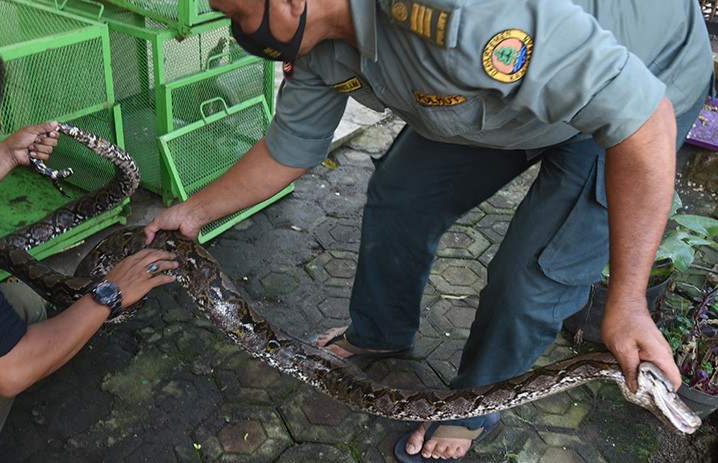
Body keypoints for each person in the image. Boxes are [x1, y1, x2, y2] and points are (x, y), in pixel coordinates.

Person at [144, 0, 713, 461]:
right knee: (401, 195)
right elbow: (288, 148)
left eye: (234, 12)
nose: (233, 26)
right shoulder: (318, 40)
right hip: (508, 96)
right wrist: (192, 214)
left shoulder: (461, 13)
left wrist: (628, 302)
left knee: (531, 279)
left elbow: (642, 121)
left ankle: (473, 408)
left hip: (636, 88)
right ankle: (380, 333)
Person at [0, 31, 179, 462]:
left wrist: (8, 155)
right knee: (3, 340)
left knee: (17, 303)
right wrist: (110, 293)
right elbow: (11, 369)